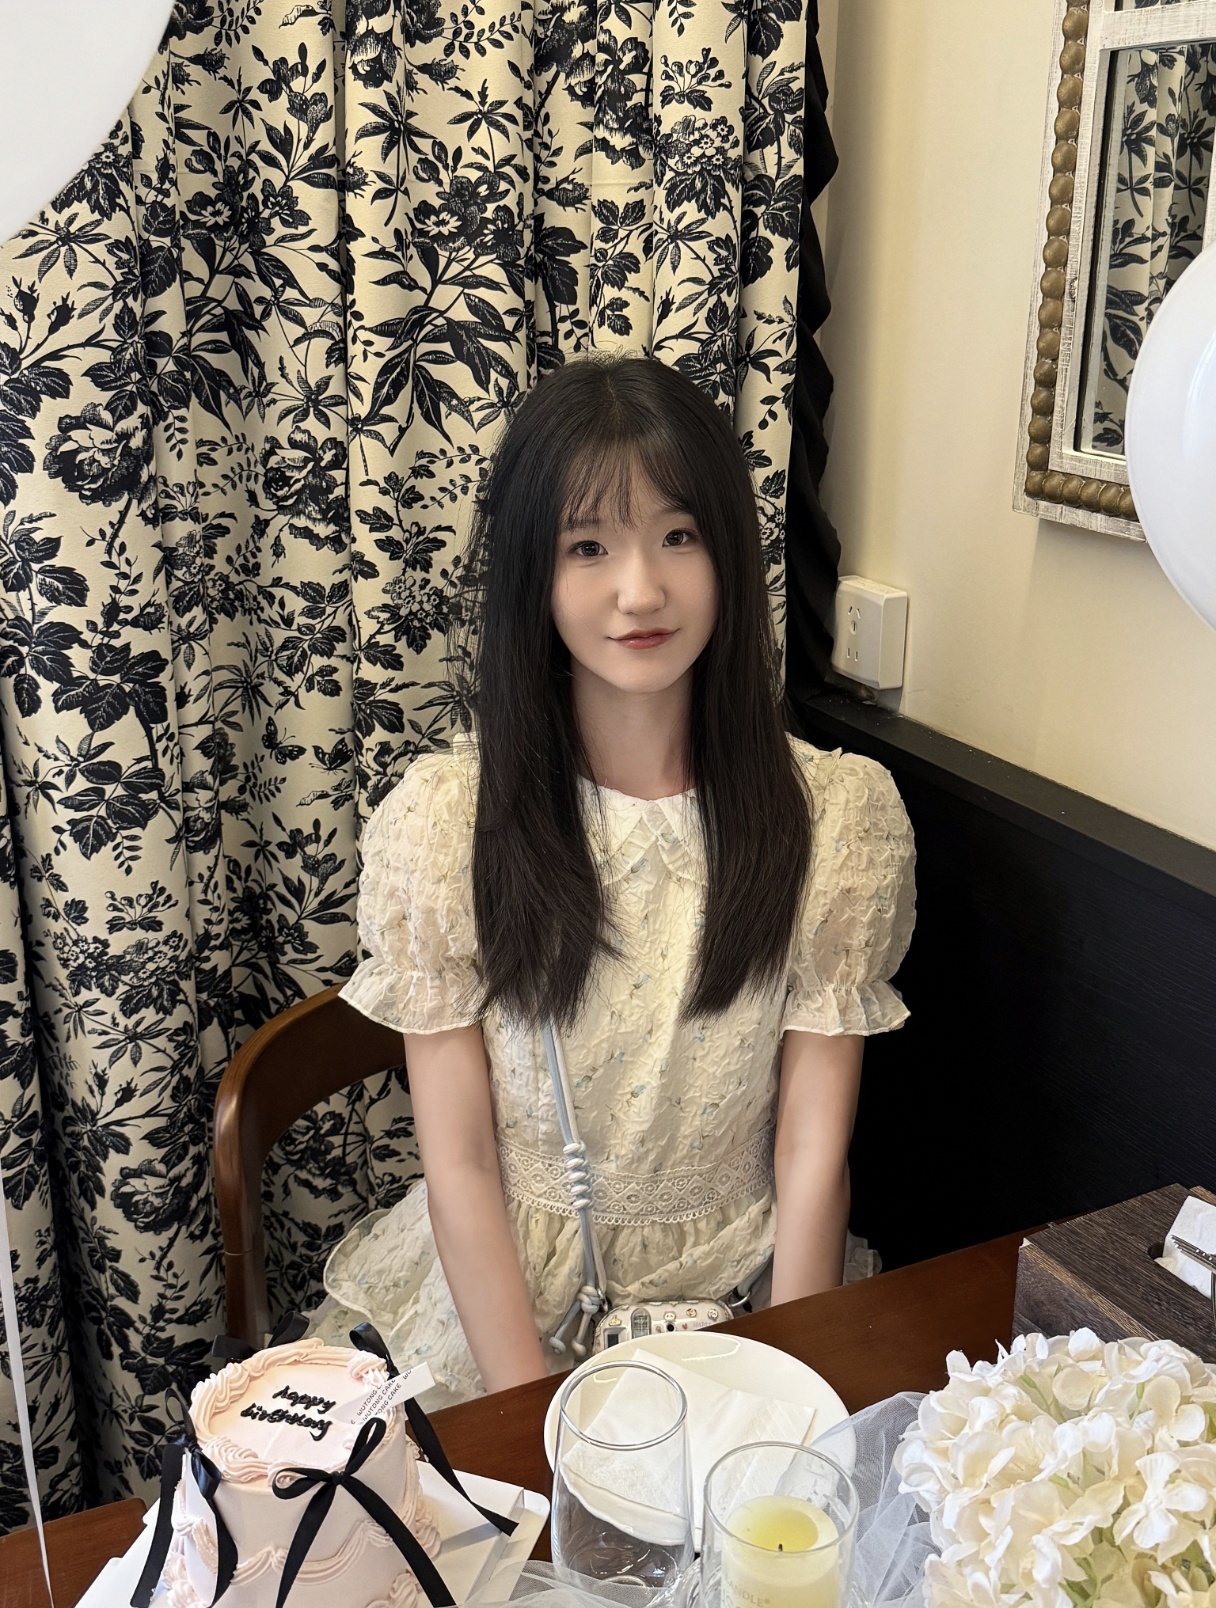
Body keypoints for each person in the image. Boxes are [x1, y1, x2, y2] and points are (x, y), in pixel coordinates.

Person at [310, 356, 915, 1405]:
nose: (641, 591)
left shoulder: (833, 820)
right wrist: (532, 1420)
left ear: (729, 552)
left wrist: (784, 1399)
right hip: (504, 1311)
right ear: (532, 576)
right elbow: (460, 1164)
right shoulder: (449, 825)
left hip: (743, 1300)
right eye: (587, 547)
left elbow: (813, 1158)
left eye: (679, 536)